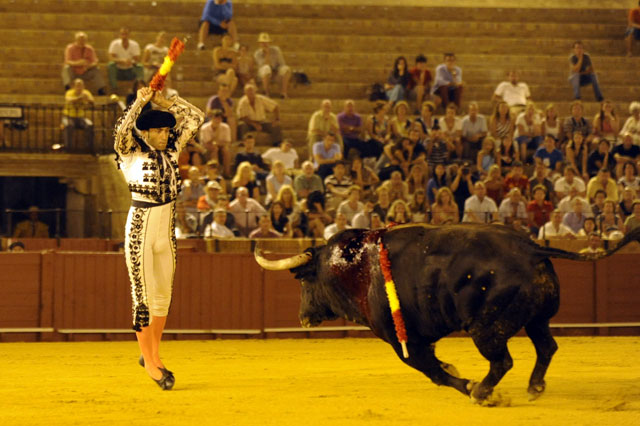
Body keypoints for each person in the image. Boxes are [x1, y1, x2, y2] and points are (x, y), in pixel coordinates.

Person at [114, 86, 204, 390]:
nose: (166, 134)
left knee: (163, 296)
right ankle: (151, 362)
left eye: (167, 130)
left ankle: (152, 352)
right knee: (142, 300)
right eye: (160, 130)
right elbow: (122, 129)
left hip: (166, 230)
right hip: (140, 228)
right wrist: (140, 101)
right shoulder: (129, 152)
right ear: (147, 132)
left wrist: (171, 102)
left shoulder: (172, 149)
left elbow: (195, 118)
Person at [254, 32, 291, 98]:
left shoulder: (276, 50)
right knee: (266, 68)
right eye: (262, 42)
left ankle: (284, 92)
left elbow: (282, 63)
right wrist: (267, 54)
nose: (264, 44)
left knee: (286, 69)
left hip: (275, 70)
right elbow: (263, 66)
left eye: (266, 42)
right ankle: (266, 93)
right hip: (264, 73)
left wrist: (276, 70)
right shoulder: (257, 53)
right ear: (259, 44)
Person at [107, 27, 144, 92]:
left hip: (130, 69)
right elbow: (111, 58)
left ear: (129, 35)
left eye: (126, 34)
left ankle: (140, 88)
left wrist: (130, 62)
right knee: (111, 65)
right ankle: (114, 88)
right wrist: (121, 61)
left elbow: (137, 58)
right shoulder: (115, 44)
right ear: (119, 35)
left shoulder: (134, 45)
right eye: (122, 34)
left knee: (140, 67)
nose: (124, 36)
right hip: (118, 69)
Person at [62, 79, 94, 151]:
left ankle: (88, 148)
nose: (79, 88)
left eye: (81, 86)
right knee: (68, 126)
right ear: (74, 87)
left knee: (89, 125)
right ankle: (68, 148)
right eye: (77, 86)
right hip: (68, 116)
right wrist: (79, 98)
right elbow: (68, 99)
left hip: (80, 117)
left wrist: (88, 99)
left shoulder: (85, 93)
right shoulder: (69, 92)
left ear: (83, 86)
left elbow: (92, 101)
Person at [199, 109, 232, 176]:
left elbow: (227, 142)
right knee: (214, 149)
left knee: (226, 151)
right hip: (207, 150)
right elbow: (206, 143)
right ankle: (215, 173)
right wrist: (216, 134)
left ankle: (227, 173)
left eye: (219, 118)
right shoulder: (205, 128)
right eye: (215, 118)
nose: (217, 120)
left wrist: (217, 143)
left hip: (221, 147)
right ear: (211, 118)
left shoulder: (226, 127)